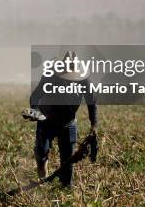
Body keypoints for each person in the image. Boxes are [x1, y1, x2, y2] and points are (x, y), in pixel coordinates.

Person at [29, 51, 98, 187]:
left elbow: (92, 102)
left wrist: (94, 125)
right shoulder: (49, 75)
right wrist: (34, 111)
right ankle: (42, 172)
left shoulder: (83, 79)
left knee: (67, 159)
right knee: (41, 151)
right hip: (46, 119)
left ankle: (66, 187)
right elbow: (35, 96)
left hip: (68, 122)